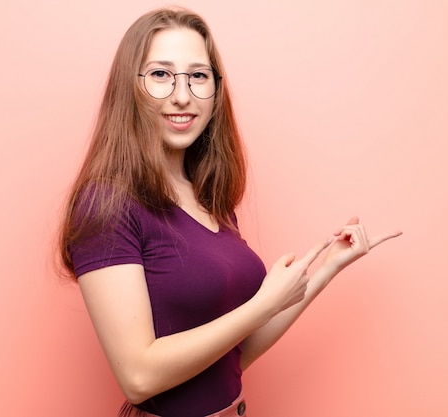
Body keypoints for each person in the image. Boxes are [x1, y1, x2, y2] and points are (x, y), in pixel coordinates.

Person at [58, 6, 401, 417]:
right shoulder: (107, 204)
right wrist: (262, 304)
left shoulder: (208, 199)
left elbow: (233, 356)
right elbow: (138, 377)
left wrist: (329, 265)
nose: (182, 95)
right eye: (161, 75)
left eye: (198, 76)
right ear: (129, 87)